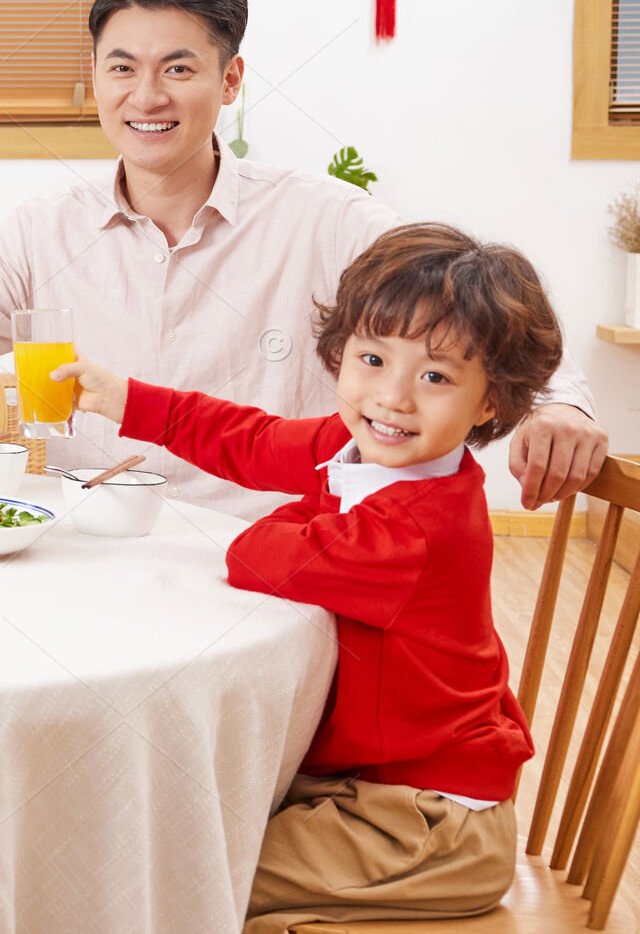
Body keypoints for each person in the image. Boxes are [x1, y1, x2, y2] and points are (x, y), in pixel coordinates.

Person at [0, 0, 604, 516]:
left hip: (266, 561)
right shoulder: (42, 230)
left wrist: (561, 402)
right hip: (85, 552)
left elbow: (470, 307)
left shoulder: (322, 218)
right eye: (123, 67)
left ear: (231, 77)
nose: (148, 96)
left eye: (179, 67)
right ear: (94, 79)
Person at [56, 224, 552, 930]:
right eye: (373, 358)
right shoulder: (359, 446)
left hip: (422, 822)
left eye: (436, 376)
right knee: (165, 836)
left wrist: (299, 515)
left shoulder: (413, 527)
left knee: (180, 879)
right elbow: (253, 442)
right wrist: (128, 399)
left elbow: (254, 552)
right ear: (340, 353)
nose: (394, 396)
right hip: (359, 785)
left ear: (491, 402)